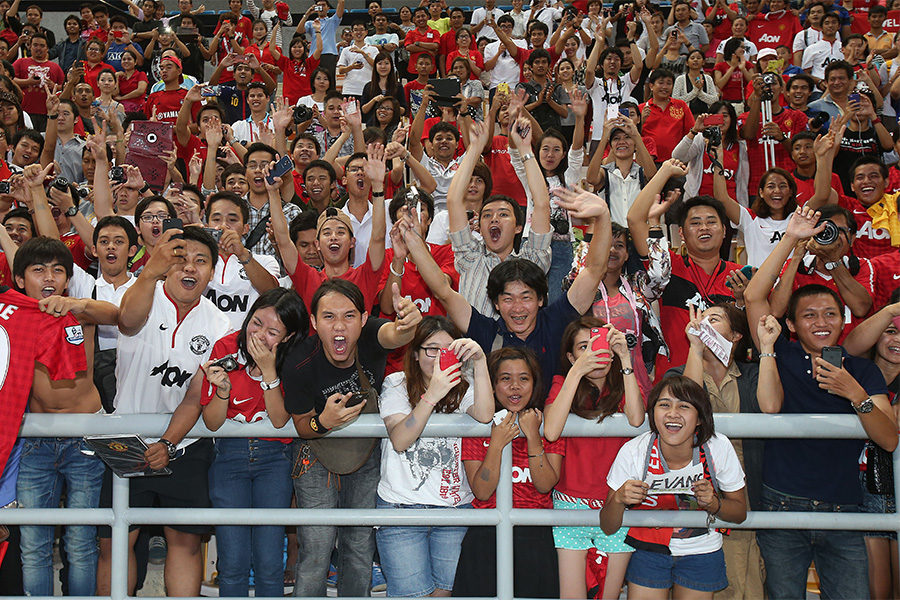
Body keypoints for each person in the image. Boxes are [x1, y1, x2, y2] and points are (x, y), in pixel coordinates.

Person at [744, 205, 898, 600]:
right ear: (792, 327)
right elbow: (754, 295)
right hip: (781, 506)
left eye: (830, 314)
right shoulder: (781, 354)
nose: (821, 322)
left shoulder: (861, 372)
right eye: (809, 315)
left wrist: (854, 394)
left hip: (845, 510)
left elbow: (889, 438)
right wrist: (793, 240)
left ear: (842, 320)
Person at [96, 226, 232, 596]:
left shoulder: (221, 325)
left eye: (201, 261)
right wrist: (150, 270)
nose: (190, 267)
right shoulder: (139, 292)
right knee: (114, 543)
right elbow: (127, 321)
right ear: (163, 263)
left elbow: (195, 396)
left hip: (184, 446)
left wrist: (169, 444)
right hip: (123, 442)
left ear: (212, 271)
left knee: (185, 544)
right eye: (180, 258)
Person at [281, 278, 421, 597]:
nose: (339, 326)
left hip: (365, 453)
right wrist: (323, 422)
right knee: (316, 550)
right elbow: (301, 425)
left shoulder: (372, 333)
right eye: (329, 317)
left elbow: (396, 333)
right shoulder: (299, 359)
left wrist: (409, 323)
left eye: (349, 316)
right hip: (314, 455)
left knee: (358, 549)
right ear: (314, 321)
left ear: (362, 319)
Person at [375, 317, 493, 597]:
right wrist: (433, 394)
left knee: (447, 592)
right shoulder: (396, 383)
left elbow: (486, 414)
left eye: (449, 349)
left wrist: (480, 362)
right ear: (415, 354)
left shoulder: (462, 384)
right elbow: (401, 440)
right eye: (431, 349)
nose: (440, 357)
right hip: (401, 509)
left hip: (454, 511)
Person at [201, 288, 307, 598]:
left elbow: (278, 420)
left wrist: (270, 372)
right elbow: (211, 422)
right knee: (232, 561)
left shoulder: (295, 358)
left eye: (273, 331)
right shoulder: (226, 347)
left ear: (287, 337)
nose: (259, 335)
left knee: (270, 559)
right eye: (256, 323)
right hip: (228, 457)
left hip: (275, 458)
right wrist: (222, 391)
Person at [600, 375, 748, 598]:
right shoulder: (634, 450)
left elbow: (739, 513)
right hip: (648, 550)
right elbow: (608, 525)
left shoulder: (718, 446)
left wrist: (715, 504)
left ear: (699, 418)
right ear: (653, 412)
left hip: (702, 552)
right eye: (664, 404)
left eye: (684, 406)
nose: (672, 413)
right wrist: (619, 499)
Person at [671, 303, 783, 598]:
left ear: (735, 335)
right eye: (700, 318)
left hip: (742, 492)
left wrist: (767, 347)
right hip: (690, 491)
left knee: (741, 580)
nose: (703, 323)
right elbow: (688, 408)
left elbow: (771, 407)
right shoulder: (676, 374)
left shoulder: (752, 374)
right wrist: (695, 349)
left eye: (714, 319)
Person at [542, 317, 646, 599]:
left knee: (608, 596)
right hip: (568, 504)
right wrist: (577, 372)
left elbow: (637, 419)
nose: (593, 353)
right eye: (583, 347)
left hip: (616, 504)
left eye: (599, 344)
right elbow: (551, 431)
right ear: (570, 355)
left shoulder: (623, 384)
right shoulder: (562, 383)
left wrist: (626, 358)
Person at [452, 346, 564, 598]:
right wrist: (496, 443)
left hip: (535, 534)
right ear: (492, 385)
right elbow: (481, 492)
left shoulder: (549, 425)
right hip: (485, 535)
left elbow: (545, 484)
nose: (515, 387)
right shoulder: (477, 427)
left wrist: (534, 436)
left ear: (534, 385)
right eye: (506, 379)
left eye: (524, 379)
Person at [627, 160, 740, 377]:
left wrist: (743, 300)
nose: (704, 228)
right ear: (681, 233)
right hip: (675, 381)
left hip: (727, 383)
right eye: (695, 223)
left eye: (711, 222)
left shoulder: (740, 277)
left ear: (724, 231)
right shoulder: (668, 266)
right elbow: (634, 219)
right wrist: (665, 172)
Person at [844, 296, 900, 600]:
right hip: (862, 489)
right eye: (890, 331)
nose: (896, 340)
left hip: (897, 486)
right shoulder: (853, 373)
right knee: (875, 593)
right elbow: (851, 343)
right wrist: (891, 310)